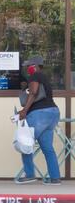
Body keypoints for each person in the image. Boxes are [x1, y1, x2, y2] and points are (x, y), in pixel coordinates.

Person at [18, 56, 61, 186]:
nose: (27, 69)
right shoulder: (44, 77)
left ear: (35, 66)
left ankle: (30, 175)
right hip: (53, 113)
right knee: (48, 148)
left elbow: (33, 93)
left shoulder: (35, 76)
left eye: (28, 66)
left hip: (39, 114)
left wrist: (24, 110)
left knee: (25, 144)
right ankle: (55, 178)